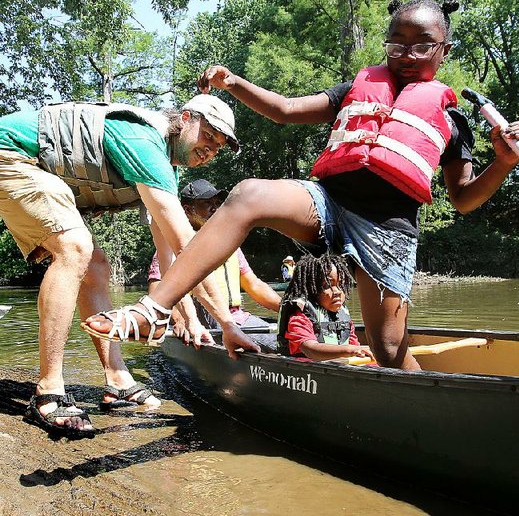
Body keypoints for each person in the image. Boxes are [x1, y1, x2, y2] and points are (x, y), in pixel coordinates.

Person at [83, 0, 519, 370]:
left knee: (389, 349)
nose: (407, 55)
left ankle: (429, 410)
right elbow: (284, 109)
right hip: (328, 204)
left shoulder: (452, 121)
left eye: (422, 45)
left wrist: (503, 162)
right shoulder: (354, 90)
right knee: (248, 194)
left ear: (444, 49)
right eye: (397, 44)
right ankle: (152, 310)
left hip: (388, 233)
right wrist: (233, 82)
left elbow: (464, 199)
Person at [0, 93, 256, 437]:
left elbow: (170, 258)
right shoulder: (143, 141)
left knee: (96, 266)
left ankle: (117, 379)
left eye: (218, 146)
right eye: (208, 135)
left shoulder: (164, 171)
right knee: (74, 247)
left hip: (33, 166)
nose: (209, 149)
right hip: (10, 154)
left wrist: (194, 319)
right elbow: (189, 247)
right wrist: (226, 322)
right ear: (185, 119)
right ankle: (49, 391)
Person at [148, 179, 282, 340]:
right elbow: (156, 294)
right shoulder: (170, 247)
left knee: (295, 335)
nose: (216, 208)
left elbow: (254, 285)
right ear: (188, 209)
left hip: (237, 318)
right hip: (205, 322)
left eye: (218, 203)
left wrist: (287, 309)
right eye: (207, 203)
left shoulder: (229, 243)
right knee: (281, 344)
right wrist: (180, 318)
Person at [277, 254, 373, 361]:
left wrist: (358, 350)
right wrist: (350, 350)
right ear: (311, 289)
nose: (337, 291)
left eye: (341, 285)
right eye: (327, 286)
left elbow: (354, 344)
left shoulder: (342, 314)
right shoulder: (299, 317)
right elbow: (310, 349)